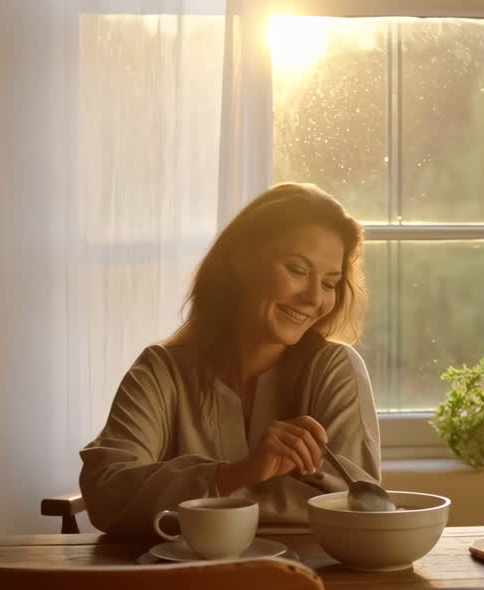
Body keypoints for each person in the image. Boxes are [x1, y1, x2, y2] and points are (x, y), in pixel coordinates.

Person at [78, 183, 381, 536]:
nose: (315, 298)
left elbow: (358, 507)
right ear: (241, 261)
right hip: (177, 583)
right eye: (297, 270)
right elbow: (105, 493)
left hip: (308, 585)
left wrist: (187, 501)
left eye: (330, 283)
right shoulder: (161, 370)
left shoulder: (336, 369)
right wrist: (237, 474)